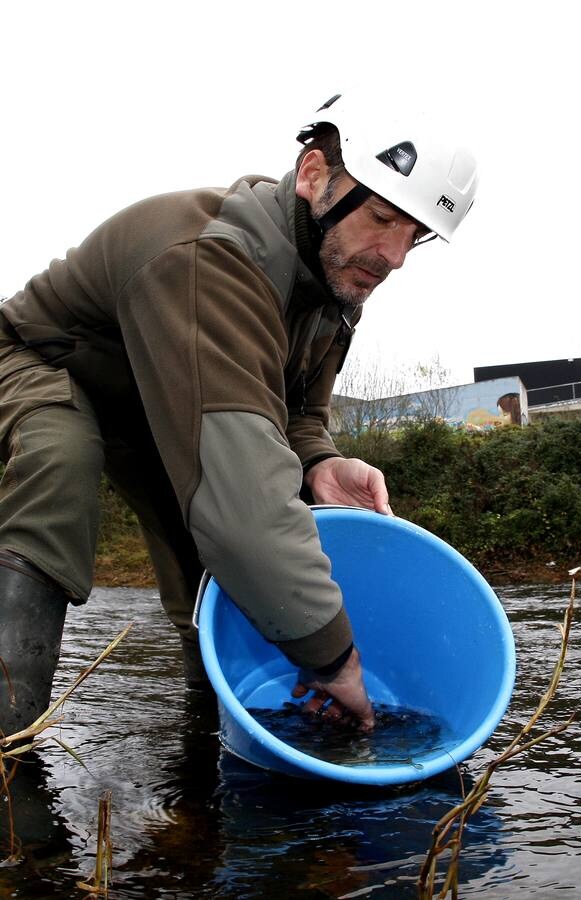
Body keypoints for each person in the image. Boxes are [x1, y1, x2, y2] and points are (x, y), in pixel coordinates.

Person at [0, 89, 478, 740]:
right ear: (315, 177)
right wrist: (337, 659)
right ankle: (8, 751)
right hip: (43, 363)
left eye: (414, 236)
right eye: (383, 218)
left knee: (219, 568)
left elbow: (299, 415)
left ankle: (217, 753)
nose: (393, 257)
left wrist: (322, 461)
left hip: (157, 401)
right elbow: (245, 511)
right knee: (65, 457)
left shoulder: (335, 289)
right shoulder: (209, 260)